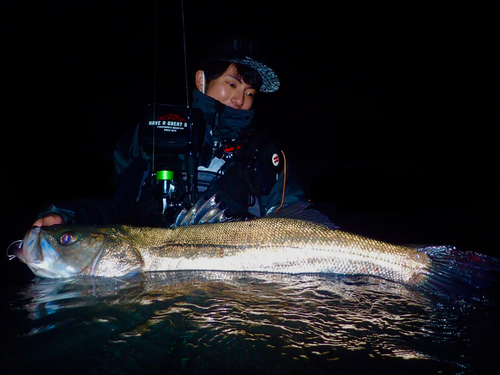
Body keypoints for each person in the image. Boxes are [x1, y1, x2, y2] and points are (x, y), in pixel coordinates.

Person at [32, 37, 313, 228]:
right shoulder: (152, 132)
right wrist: (66, 217)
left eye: (249, 92)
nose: (239, 100)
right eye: (231, 83)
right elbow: (111, 202)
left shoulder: (268, 153)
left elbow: (294, 218)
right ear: (202, 80)